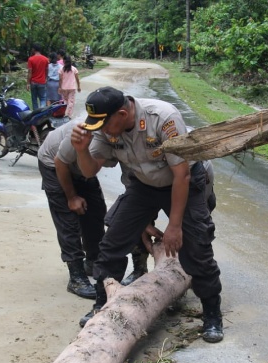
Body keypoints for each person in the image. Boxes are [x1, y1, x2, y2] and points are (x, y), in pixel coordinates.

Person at [69, 86, 224, 343]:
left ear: (121, 113)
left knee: (197, 249)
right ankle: (101, 304)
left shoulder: (163, 118)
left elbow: (181, 175)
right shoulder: (106, 128)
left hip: (184, 181)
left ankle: (212, 314)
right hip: (143, 184)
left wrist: (174, 226)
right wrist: (82, 149)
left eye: (105, 124)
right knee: (112, 243)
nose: (103, 131)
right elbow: (88, 171)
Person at [37, 120, 107, 299]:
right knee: (68, 221)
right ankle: (76, 277)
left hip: (82, 168)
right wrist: (71, 197)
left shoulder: (120, 132)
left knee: (96, 212)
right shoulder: (82, 132)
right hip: (55, 165)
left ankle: (92, 261)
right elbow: (60, 163)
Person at [26, 45, 49, 110]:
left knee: (34, 99)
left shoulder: (31, 59)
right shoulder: (45, 59)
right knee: (43, 98)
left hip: (33, 82)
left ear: (34, 49)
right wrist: (45, 79)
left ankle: (36, 114)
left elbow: (30, 73)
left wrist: (28, 83)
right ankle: (41, 112)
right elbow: (46, 71)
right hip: (42, 82)